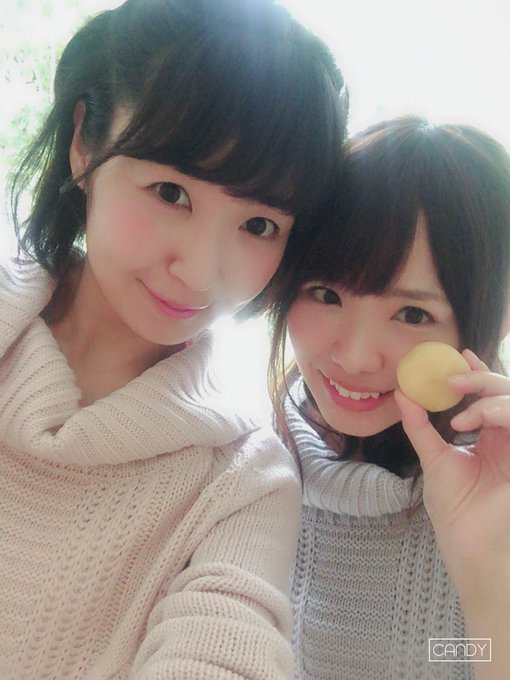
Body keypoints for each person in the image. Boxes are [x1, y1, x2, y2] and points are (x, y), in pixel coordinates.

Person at [0, 0, 349, 677]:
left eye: (258, 226)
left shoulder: (246, 483)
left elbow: (229, 647)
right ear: (84, 144)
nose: (199, 272)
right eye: (170, 191)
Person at [268, 116, 510, 679]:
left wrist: (489, 574)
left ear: (494, 321)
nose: (356, 358)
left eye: (413, 314)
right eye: (325, 293)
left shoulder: (499, 487)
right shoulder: (242, 462)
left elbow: (469, 656)